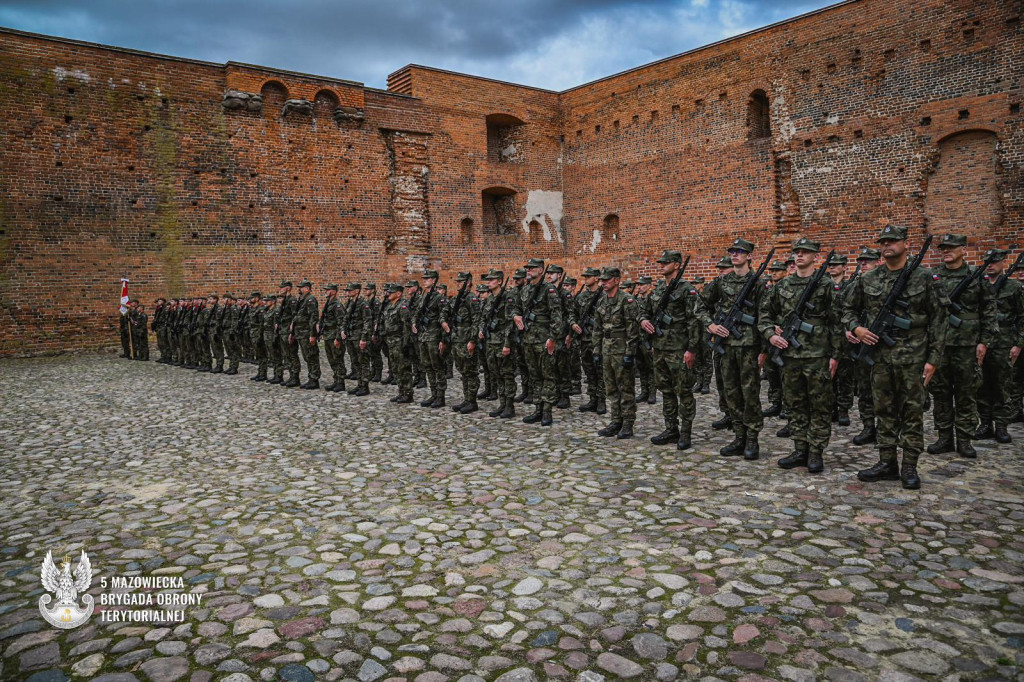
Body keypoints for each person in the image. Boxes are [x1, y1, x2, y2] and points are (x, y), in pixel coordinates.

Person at [843, 225, 947, 490]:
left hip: (914, 357)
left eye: (893, 241)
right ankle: (887, 462)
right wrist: (858, 328)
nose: (887, 245)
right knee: (884, 411)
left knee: (912, 412)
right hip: (880, 359)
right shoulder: (869, 279)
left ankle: (909, 465)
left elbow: (939, 320)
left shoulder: (924, 278)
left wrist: (933, 359)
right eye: (883, 241)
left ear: (905, 244)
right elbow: (847, 309)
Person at [759, 238, 841, 473]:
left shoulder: (825, 285)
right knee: (795, 404)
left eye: (806, 252)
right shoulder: (782, 286)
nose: (800, 256)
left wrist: (835, 355)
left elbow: (837, 321)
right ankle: (800, 448)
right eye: (797, 252)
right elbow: (765, 314)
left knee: (819, 405)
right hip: (790, 357)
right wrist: (770, 335)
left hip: (817, 356)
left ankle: (816, 452)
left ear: (815, 256)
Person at [924, 234, 998, 458]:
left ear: (963, 249)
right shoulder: (932, 277)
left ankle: (964, 439)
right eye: (944, 248)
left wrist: (985, 342)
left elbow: (989, 311)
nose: (947, 251)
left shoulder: (976, 277)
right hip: (940, 345)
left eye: (952, 247)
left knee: (966, 393)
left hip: (968, 345)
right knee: (941, 393)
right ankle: (944, 437)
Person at [705, 239, 768, 460]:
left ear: (749, 255)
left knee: (750, 393)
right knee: (730, 392)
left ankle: (752, 438)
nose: (734, 254)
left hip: (749, 346)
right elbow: (700, 305)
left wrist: (764, 350)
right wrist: (710, 324)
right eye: (732, 251)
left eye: (739, 251)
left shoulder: (759, 284)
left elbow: (765, 317)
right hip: (727, 346)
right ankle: (739, 435)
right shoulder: (722, 282)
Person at [640, 250, 709, 450]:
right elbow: (644, 310)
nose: (661, 265)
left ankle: (685, 433)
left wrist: (691, 349)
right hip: (660, 348)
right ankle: (671, 429)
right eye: (660, 262)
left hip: (679, 349)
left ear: (677, 265)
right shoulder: (659, 288)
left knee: (684, 391)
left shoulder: (687, 290)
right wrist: (644, 320)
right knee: (666, 390)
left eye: (666, 262)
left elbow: (694, 321)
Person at [976, 250, 1024, 443]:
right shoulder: (980, 285)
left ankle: (1001, 426)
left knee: (1003, 386)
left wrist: (1018, 344)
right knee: (982, 385)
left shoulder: (1013, 287)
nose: (991, 265)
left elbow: (1022, 317)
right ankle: (985, 423)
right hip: (983, 343)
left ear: (1003, 263)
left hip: (1004, 343)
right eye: (988, 262)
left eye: (995, 262)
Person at [511, 258, 564, 426]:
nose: (529, 270)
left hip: (544, 340)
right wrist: (515, 315)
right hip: (528, 340)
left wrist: (553, 338)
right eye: (527, 268)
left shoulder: (548, 290)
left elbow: (557, 315)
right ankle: (538, 409)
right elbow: (515, 306)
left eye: (532, 268)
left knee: (547, 375)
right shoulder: (525, 289)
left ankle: (547, 411)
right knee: (534, 376)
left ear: (541, 270)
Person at [593, 267, 640, 438]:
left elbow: (633, 330)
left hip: (621, 348)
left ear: (617, 280)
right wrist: (597, 350)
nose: (603, 283)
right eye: (602, 280)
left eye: (606, 280)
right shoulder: (601, 301)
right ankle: (616, 421)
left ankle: (628, 423)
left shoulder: (627, 301)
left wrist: (630, 352)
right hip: (607, 348)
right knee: (611, 387)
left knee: (625, 387)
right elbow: (597, 329)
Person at [850, 248, 882, 445]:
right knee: (864, 388)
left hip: (882, 343)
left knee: (884, 390)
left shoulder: (884, 283)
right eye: (861, 261)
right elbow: (845, 310)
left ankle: (884, 428)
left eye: (868, 261)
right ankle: (868, 426)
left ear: (877, 262)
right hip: (861, 343)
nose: (864, 264)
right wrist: (851, 328)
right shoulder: (856, 284)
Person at [479, 270, 517, 419]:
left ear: (500, 281)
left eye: (492, 279)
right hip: (491, 342)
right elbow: (484, 317)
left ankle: (509, 405)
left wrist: (507, 344)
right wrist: (481, 329)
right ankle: (502, 403)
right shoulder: (490, 299)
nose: (489, 282)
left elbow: (510, 323)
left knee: (507, 374)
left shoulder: (507, 298)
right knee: (497, 374)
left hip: (502, 342)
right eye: (488, 279)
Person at [445, 272, 481, 414]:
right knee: (463, 371)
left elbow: (476, 320)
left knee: (470, 371)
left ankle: (472, 401)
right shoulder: (456, 299)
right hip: (456, 340)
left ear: (468, 283)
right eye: (457, 281)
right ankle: (466, 399)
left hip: (466, 340)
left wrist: (472, 340)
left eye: (461, 281)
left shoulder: (471, 299)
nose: (458, 283)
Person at [572, 267, 606, 415]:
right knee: (589, 371)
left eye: (589, 276)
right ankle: (592, 399)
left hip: (600, 340)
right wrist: (573, 324)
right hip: (585, 339)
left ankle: (601, 400)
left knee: (600, 371)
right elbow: (571, 313)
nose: (586, 279)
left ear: (597, 278)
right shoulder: (581, 297)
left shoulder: (604, 296)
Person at [412, 270, 447, 407]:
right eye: (424, 278)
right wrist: (414, 322)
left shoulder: (439, 298)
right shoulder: (422, 297)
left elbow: (444, 318)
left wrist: (443, 340)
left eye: (427, 278)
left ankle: (440, 396)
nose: (424, 280)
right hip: (423, 336)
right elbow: (416, 312)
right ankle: (433, 394)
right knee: (427, 366)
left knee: (437, 366)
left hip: (434, 336)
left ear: (434, 281)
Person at [707, 256, 734, 430]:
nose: (721, 270)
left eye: (725, 267)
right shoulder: (718, 286)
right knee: (722, 380)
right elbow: (703, 305)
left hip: (741, 341)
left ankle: (740, 418)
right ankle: (728, 413)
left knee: (739, 383)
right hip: (720, 339)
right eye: (719, 268)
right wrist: (710, 325)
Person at [381, 283, 415, 403]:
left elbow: (407, 327)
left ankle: (408, 393)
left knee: (404, 369)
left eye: (392, 292)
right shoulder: (390, 306)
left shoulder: (403, 306)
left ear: (399, 294)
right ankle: (401, 392)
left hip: (400, 342)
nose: (389, 294)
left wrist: (406, 344)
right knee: (395, 368)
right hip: (391, 342)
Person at [634, 275, 657, 405]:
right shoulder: (636, 300)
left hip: (649, 338)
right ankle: (644, 391)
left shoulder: (653, 300)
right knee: (641, 366)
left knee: (651, 367)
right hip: (638, 338)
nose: (639, 287)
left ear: (649, 286)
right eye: (638, 285)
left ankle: (652, 393)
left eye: (642, 285)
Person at [320, 284, 345, 392]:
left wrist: (338, 338)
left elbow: (341, 322)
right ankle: (336, 380)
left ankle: (341, 382)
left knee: (338, 359)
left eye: (328, 290)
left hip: (334, 334)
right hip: (327, 335)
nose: (326, 291)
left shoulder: (337, 305)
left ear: (334, 291)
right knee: (332, 359)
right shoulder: (328, 303)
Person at [275, 281, 300, 387]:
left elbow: (295, 316)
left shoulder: (292, 300)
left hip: (288, 331)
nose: (280, 289)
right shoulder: (285, 300)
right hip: (283, 331)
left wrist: (292, 331)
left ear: (288, 288)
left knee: (292, 354)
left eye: (282, 287)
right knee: (287, 355)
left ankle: (295, 377)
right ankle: (291, 376)